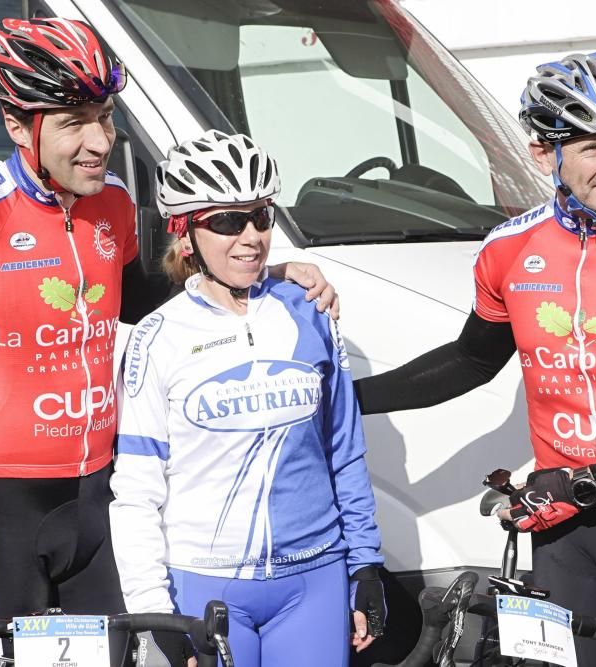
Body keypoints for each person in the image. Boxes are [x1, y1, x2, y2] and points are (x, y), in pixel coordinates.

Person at [0, 17, 337, 657]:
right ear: (19, 127)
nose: (100, 140)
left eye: (104, 114)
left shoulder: (115, 204)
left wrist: (259, 275)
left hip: (99, 496)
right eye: (73, 122)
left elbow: (145, 302)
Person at [354, 51, 596, 665]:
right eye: (592, 148)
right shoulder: (509, 249)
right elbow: (470, 361)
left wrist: (589, 484)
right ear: (545, 154)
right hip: (566, 530)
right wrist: (346, 399)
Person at [110, 130, 386, 667]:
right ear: (185, 233)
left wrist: (365, 565)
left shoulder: (309, 310)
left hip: (315, 575)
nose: (252, 237)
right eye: (227, 222)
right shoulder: (157, 335)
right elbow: (137, 492)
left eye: (261, 216)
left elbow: (345, 451)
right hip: (204, 586)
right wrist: (153, 612)